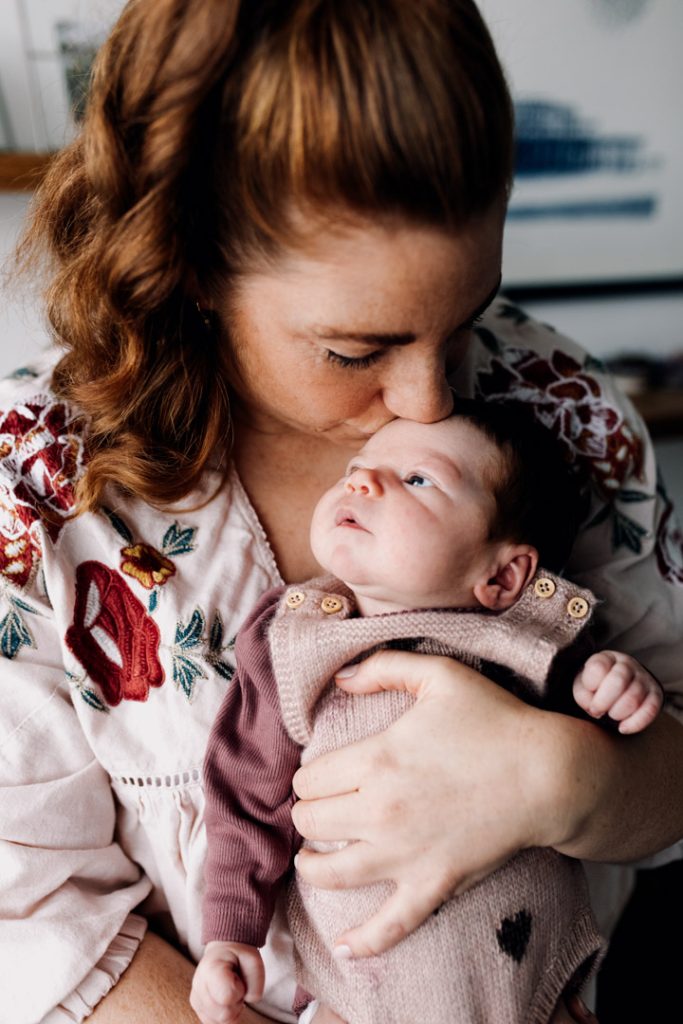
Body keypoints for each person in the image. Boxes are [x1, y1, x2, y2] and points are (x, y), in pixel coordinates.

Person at [1, 2, 681, 1023]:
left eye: (460, 323)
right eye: (356, 350)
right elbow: (32, 907)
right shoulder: (46, 486)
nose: (429, 401)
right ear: (186, 263)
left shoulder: (555, 404)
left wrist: (564, 779)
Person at [192, 407, 663, 1024]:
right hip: (358, 989)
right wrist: (231, 930)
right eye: (357, 469)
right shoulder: (297, 640)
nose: (362, 482)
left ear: (501, 575)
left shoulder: (530, 644)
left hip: (524, 983)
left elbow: (595, 759)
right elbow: (246, 792)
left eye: (418, 480)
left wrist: (616, 689)